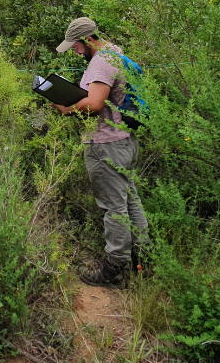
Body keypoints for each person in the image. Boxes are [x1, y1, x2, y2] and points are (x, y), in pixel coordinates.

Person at [51, 17, 150, 287]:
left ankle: (115, 269)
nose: (75, 52)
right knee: (130, 201)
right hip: (124, 141)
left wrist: (66, 109)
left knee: (114, 207)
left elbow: (95, 104)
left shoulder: (101, 62)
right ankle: (142, 259)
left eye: (75, 46)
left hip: (107, 145)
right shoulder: (116, 53)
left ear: (88, 40)